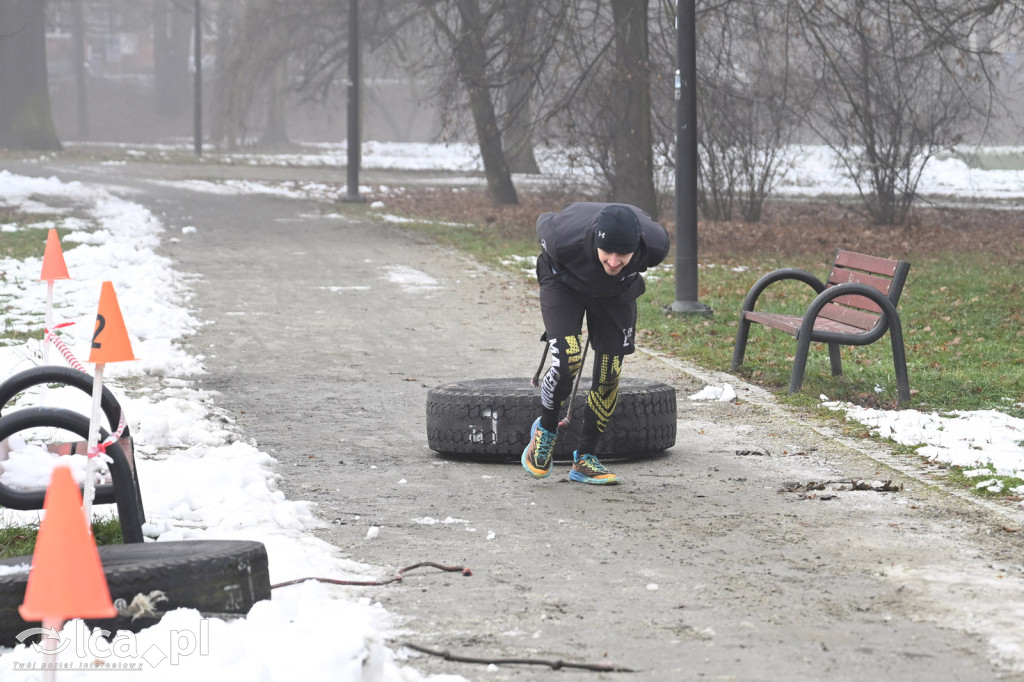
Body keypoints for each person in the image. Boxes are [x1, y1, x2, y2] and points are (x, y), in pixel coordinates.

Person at [522, 202, 670, 485]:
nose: (614, 262)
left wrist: (618, 270)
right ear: (595, 241)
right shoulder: (561, 237)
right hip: (563, 283)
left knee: (610, 374)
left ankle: (586, 457)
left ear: (637, 247)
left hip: (616, 294)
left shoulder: (656, 245)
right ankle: (546, 430)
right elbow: (543, 217)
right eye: (607, 253)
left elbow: (625, 259)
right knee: (568, 360)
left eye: (623, 254)